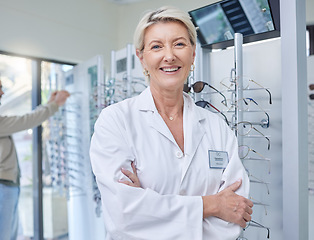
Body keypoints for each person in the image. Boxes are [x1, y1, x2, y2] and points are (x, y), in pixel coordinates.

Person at [90, 6, 253, 240]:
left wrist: (151, 211)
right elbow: (124, 217)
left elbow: (235, 215)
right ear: (142, 58)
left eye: (179, 44)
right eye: (156, 46)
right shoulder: (116, 121)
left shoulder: (218, 128)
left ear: (193, 53)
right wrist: (213, 205)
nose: (169, 56)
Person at [0, 67, 70, 240]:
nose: (2, 92)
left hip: (3, 185)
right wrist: (54, 105)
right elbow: (23, 121)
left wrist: (48, 105)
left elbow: (23, 120)